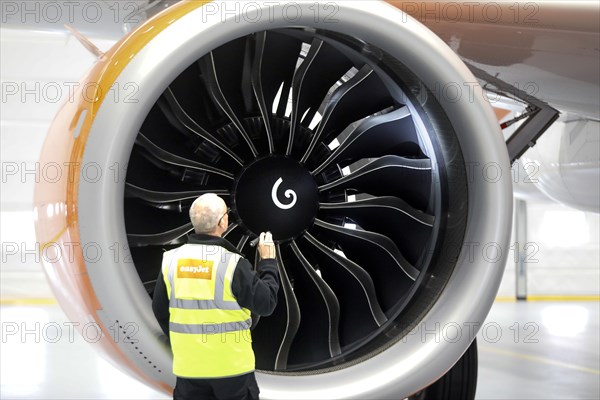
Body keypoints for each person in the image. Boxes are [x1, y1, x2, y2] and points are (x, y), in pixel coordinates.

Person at [152, 193, 279, 400]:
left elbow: (160, 311)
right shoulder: (232, 264)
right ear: (223, 222)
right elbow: (266, 304)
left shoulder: (170, 261)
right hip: (232, 370)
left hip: (189, 369)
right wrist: (268, 262)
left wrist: (187, 342)